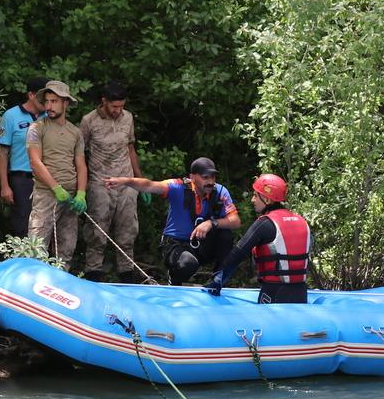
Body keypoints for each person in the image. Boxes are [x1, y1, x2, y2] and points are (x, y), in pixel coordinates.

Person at [103, 157, 240, 285]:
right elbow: (150, 185)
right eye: (205, 177)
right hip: (176, 245)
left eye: (212, 177)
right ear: (192, 177)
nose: (210, 182)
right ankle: (174, 281)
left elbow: (235, 221)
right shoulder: (178, 187)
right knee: (188, 264)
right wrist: (125, 181)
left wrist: (211, 223)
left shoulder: (220, 191)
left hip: (201, 243)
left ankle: (217, 280)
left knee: (225, 235)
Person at [203, 173, 311, 304]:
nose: (252, 200)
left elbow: (237, 254)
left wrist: (218, 281)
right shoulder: (301, 221)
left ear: (267, 199)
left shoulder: (265, 223)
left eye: (255, 195)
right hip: (301, 293)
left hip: (273, 293)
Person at [79, 81, 144, 282]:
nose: (118, 110)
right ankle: (93, 272)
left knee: (128, 228)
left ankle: (126, 272)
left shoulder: (128, 118)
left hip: (125, 180)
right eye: (114, 106)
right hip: (100, 180)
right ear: (104, 101)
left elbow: (130, 148)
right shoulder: (88, 121)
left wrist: (139, 180)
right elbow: (79, 154)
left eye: (121, 106)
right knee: (97, 229)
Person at [26, 80, 87, 262]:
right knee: (36, 247)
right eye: (47, 101)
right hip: (46, 195)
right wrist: (55, 188)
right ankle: (33, 286)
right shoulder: (37, 127)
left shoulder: (75, 132)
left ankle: (59, 285)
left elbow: (81, 165)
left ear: (65, 103)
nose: (49, 106)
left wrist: (81, 193)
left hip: (70, 197)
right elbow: (35, 162)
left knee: (66, 249)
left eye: (54, 101)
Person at [0, 76, 48, 236]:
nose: (46, 103)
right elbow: (3, 152)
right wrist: (5, 186)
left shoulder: (49, 117)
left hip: (47, 179)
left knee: (46, 226)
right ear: (31, 95)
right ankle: (23, 259)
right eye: (42, 98)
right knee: (23, 226)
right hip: (22, 178)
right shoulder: (11, 116)